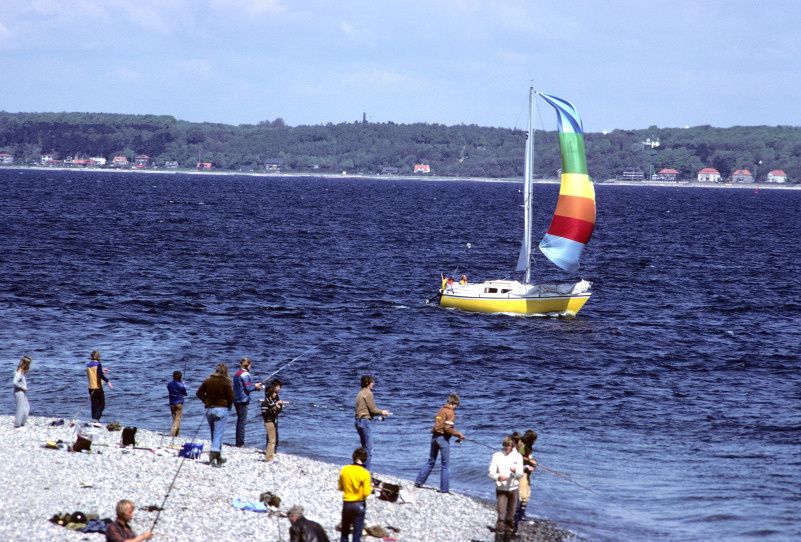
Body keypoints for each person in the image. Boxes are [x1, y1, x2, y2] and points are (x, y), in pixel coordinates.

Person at [414, 392, 465, 494]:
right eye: (456, 405)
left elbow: (439, 424)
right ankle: (444, 489)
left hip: (434, 438)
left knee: (431, 461)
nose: (456, 407)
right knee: (445, 465)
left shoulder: (441, 410)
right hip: (443, 439)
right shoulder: (451, 413)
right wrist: (459, 434)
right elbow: (448, 428)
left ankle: (418, 482)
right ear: (454, 403)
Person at [196, 362, 234, 467]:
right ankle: (213, 456)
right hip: (221, 409)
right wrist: (229, 406)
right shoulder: (226, 382)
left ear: (216, 370)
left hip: (209, 410)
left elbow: (198, 393)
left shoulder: (207, 380)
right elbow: (230, 397)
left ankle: (218, 457)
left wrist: (206, 401)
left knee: (214, 434)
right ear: (225, 371)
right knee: (218, 434)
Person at [488, 436, 525, 542]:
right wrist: (498, 477)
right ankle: (498, 539)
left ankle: (507, 539)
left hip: (514, 489)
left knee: (510, 518)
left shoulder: (517, 456)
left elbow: (520, 474)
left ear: (512, 446)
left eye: (509, 446)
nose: (507, 448)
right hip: (501, 490)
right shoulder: (496, 456)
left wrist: (514, 471)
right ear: (503, 445)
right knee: (501, 517)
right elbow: (491, 473)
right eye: (505, 445)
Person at [354, 375, 389, 471]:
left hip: (358, 421)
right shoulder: (368, 393)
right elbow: (372, 409)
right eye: (372, 382)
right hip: (364, 422)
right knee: (369, 449)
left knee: (364, 448)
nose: (373, 384)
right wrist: (383, 412)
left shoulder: (359, 393)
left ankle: (361, 469)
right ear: (367, 383)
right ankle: (366, 472)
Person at [338, 447, 371, 542]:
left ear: (353, 457)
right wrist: (371, 487)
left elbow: (340, 487)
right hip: (359, 504)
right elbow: (366, 492)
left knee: (345, 531)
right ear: (365, 459)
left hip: (347, 503)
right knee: (357, 533)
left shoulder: (345, 470)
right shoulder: (365, 473)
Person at [232, 357, 262, 447]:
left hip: (236, 400)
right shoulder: (246, 374)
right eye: (250, 365)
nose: (251, 367)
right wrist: (256, 387)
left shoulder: (237, 373)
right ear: (248, 365)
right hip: (243, 400)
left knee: (239, 421)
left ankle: (238, 442)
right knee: (242, 422)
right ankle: (240, 443)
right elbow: (248, 388)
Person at [514, 429, 538, 533]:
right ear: (531, 439)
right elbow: (519, 458)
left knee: (527, 493)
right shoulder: (523, 447)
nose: (535, 441)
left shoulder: (527, 447)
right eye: (534, 439)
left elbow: (528, 458)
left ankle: (521, 514)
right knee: (523, 494)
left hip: (527, 473)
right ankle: (520, 515)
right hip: (523, 473)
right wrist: (529, 463)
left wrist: (533, 463)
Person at [261, 378, 285, 462]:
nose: (277, 392)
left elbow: (277, 410)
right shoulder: (266, 401)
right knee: (271, 439)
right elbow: (265, 412)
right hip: (269, 421)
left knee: (273, 438)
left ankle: (271, 453)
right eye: (275, 392)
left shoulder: (273, 399)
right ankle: (269, 456)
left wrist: (279, 407)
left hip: (274, 420)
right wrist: (274, 407)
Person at [86, 350, 113, 422]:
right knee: (102, 404)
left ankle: (94, 419)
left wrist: (102, 370)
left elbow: (93, 373)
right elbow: (99, 375)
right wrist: (108, 381)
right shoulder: (98, 364)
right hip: (97, 387)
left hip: (90, 387)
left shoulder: (88, 365)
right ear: (98, 357)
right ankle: (96, 419)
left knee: (94, 404)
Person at [166, 370, 188, 437]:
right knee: (177, 419)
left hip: (171, 403)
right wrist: (183, 385)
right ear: (180, 377)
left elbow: (170, 389)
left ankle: (177, 435)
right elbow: (185, 393)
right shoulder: (182, 385)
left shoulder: (169, 384)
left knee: (174, 418)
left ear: (173, 376)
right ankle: (172, 433)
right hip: (179, 403)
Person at [13, 355, 32, 428]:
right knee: (20, 407)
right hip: (19, 392)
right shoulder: (20, 371)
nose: (29, 366)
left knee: (26, 407)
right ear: (25, 364)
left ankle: (22, 422)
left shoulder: (21, 371)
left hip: (21, 392)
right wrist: (23, 387)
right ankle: (17, 424)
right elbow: (15, 382)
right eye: (28, 364)